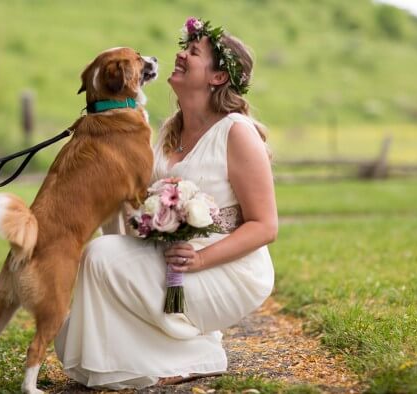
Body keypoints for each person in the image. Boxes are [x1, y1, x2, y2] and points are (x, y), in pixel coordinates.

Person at [54, 17, 277, 390]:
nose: (180, 54)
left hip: (225, 265)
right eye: (184, 48)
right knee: (99, 255)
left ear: (217, 78)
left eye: (192, 52)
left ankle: (196, 353)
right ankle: (157, 354)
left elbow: (265, 226)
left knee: (105, 256)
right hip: (168, 252)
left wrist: (200, 259)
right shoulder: (168, 130)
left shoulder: (237, 132)